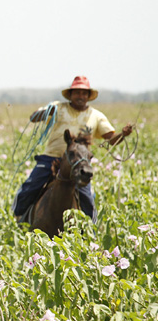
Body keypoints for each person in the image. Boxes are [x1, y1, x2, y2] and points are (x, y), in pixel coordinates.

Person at [12, 75, 133, 223]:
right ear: (70, 95)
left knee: (88, 199)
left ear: (88, 96)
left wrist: (123, 134)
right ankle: (19, 220)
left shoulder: (96, 116)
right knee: (29, 188)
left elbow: (110, 139)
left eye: (84, 93)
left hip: (78, 163)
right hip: (51, 158)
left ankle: (90, 233)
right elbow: (33, 118)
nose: (80, 96)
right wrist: (46, 112)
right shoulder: (58, 107)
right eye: (76, 92)